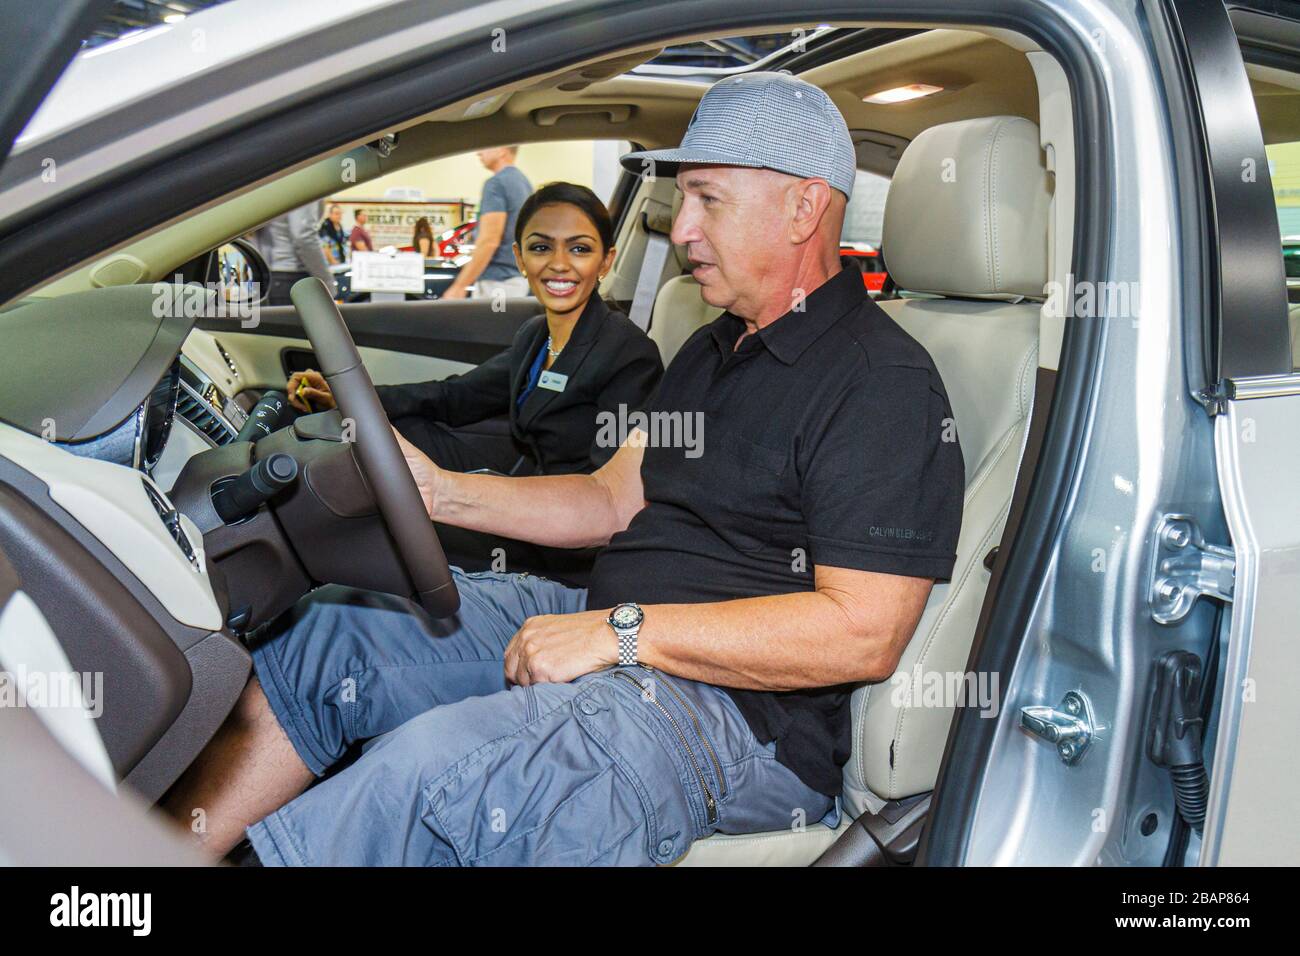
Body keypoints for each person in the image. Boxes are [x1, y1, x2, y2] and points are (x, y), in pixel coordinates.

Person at [164, 73, 965, 867]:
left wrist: (620, 635)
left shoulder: (881, 384)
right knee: (333, 633)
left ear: (804, 206)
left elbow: (862, 633)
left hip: (738, 719)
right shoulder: (716, 346)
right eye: (681, 199)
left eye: (708, 199)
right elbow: (610, 499)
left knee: (439, 776)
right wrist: (439, 493)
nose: (682, 230)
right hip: (616, 619)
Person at [286, 182, 662, 478]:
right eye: (541, 247)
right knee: (404, 428)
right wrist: (346, 397)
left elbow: (606, 491)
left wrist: (468, 498)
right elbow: (453, 397)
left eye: (579, 249)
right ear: (519, 258)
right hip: (527, 484)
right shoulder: (535, 336)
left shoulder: (628, 355)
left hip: (565, 528)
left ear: (605, 261)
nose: (559, 264)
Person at [440, 145, 532, 300]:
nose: (478, 152)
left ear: (502, 149)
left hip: (497, 284)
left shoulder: (496, 184)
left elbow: (489, 241)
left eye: (485, 146)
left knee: (492, 323)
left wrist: (459, 286)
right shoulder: (524, 183)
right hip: (518, 281)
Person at [251, 200, 337, 305]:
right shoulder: (304, 185)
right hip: (292, 276)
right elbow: (304, 236)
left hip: (267, 275)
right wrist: (327, 282)